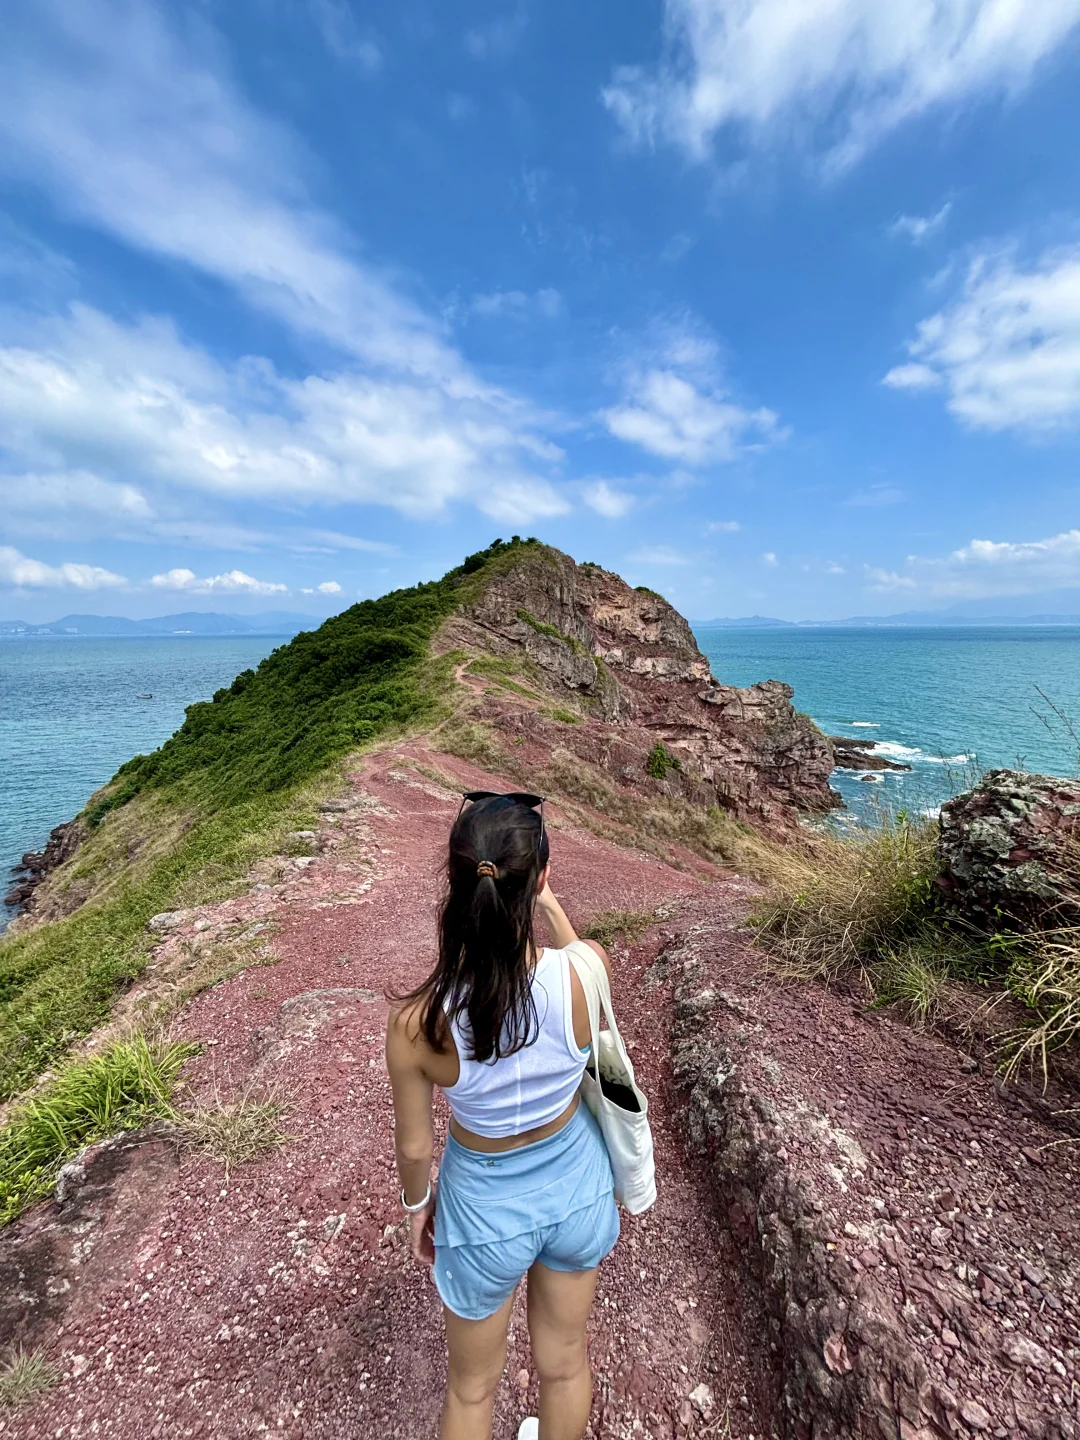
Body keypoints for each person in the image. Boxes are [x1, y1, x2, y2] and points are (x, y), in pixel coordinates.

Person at [385, 791, 619, 1440]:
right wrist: (548, 903)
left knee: (470, 1391)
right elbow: (583, 968)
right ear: (539, 877)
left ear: (457, 888)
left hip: (483, 1208)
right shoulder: (585, 972)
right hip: (576, 1189)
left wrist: (417, 1209)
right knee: (566, 1366)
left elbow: (412, 1149)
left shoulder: (416, 1022)